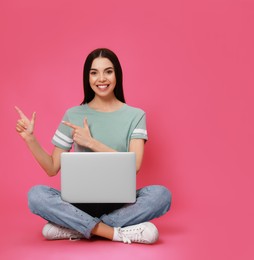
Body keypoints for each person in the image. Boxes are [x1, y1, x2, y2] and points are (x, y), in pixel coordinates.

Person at [15, 48, 171, 244]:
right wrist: (30, 139)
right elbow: (52, 168)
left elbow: (135, 166)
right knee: (36, 195)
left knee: (161, 195)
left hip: (120, 205)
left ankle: (78, 228)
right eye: (94, 73)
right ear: (87, 78)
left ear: (117, 75)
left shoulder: (135, 115)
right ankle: (114, 232)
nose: (101, 79)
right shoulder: (73, 114)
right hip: (80, 204)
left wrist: (91, 143)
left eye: (108, 71)